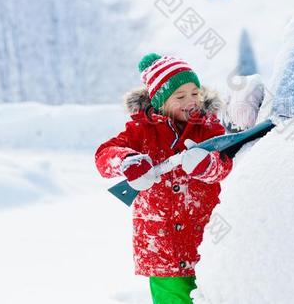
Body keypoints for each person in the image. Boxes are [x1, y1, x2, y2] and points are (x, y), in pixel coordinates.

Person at [95, 53, 233, 303]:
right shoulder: (140, 131)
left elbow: (225, 166)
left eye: (195, 93)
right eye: (180, 97)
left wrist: (206, 166)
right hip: (161, 248)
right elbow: (104, 156)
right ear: (159, 101)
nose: (190, 101)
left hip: (206, 242)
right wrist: (127, 162)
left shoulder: (209, 128)